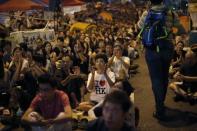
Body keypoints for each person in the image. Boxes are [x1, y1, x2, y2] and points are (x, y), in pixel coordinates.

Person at [137, 0, 184, 120]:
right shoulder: (171, 13)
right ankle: (160, 103)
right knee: (164, 77)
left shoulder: (147, 13)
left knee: (156, 79)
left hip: (152, 50)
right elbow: (181, 29)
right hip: (167, 49)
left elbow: (138, 27)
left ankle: (159, 108)